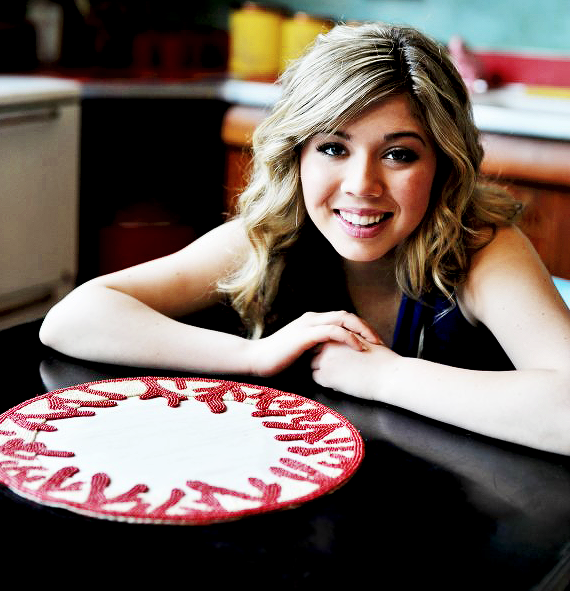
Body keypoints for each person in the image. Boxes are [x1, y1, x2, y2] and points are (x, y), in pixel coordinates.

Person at [40, 23, 570, 455]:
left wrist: (384, 377)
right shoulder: (276, 234)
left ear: (443, 165)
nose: (362, 185)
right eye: (334, 148)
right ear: (297, 155)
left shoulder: (481, 246)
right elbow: (74, 318)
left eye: (399, 154)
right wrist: (254, 356)